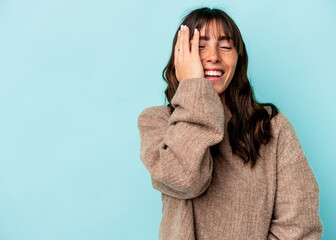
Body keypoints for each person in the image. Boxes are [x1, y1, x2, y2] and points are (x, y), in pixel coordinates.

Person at [137, 7, 323, 240]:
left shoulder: (272, 126)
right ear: (181, 57)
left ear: (239, 59)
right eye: (199, 46)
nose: (213, 56)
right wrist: (194, 88)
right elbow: (186, 179)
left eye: (226, 46)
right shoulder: (157, 122)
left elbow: (300, 224)